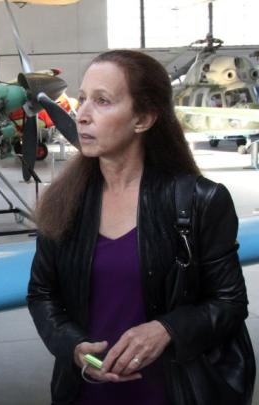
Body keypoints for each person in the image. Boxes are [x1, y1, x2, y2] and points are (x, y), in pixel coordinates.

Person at [27, 49, 255, 405]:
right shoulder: (63, 201)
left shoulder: (200, 201)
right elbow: (42, 293)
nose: (81, 115)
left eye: (102, 101)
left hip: (171, 392)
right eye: (82, 99)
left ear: (144, 119)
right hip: (88, 392)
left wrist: (167, 329)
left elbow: (229, 302)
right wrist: (73, 347)